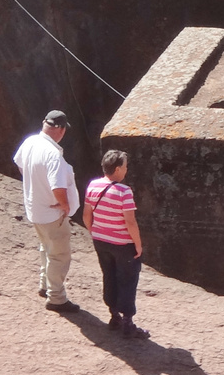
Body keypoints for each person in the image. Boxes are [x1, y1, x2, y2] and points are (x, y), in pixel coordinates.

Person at [13, 110, 80, 313]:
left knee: (45, 247)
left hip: (35, 208)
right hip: (52, 214)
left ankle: (44, 285)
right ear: (59, 129)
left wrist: (33, 182)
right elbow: (57, 187)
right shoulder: (53, 155)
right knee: (59, 255)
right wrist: (65, 205)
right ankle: (56, 298)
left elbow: (19, 164)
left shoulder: (30, 142)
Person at [83, 149, 148, 339]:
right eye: (125, 167)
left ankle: (114, 316)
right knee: (128, 280)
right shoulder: (124, 192)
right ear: (118, 169)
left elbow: (87, 215)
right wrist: (138, 244)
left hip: (101, 241)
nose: (127, 170)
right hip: (122, 244)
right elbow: (130, 222)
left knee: (109, 275)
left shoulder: (93, 185)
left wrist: (94, 231)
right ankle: (128, 322)